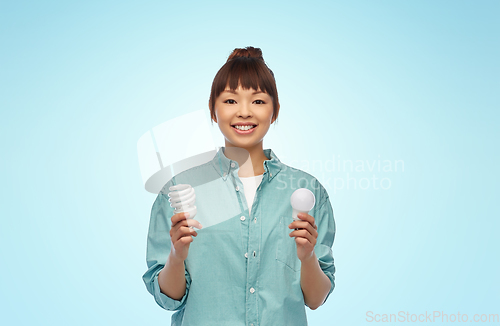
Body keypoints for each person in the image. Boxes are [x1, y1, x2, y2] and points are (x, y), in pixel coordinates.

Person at [142, 46, 336, 326]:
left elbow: (316, 299)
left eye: (258, 101)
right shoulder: (179, 189)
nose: (244, 113)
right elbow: (169, 298)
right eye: (231, 101)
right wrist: (177, 255)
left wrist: (307, 258)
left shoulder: (307, 189)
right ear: (213, 110)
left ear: (275, 110)